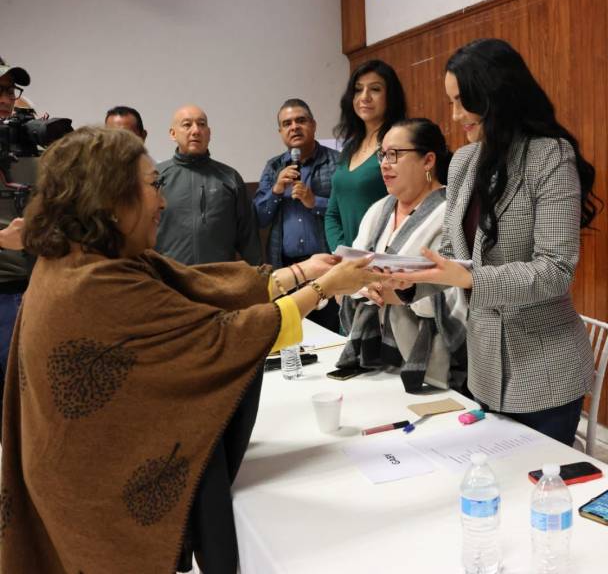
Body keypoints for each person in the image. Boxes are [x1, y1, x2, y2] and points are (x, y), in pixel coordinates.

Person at [0, 126, 379, 573]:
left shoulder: (87, 254)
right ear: (109, 195)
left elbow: (193, 286)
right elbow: (217, 337)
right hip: (91, 492)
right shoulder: (90, 283)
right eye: (152, 186)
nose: (162, 202)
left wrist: (295, 275)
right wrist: (323, 288)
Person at [390, 39, 599, 446]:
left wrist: (471, 279)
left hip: (545, 370)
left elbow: (556, 270)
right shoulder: (466, 161)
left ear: (495, 94)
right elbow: (454, 256)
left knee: (538, 489)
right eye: (450, 102)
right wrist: (407, 281)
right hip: (484, 366)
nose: (454, 116)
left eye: (462, 101)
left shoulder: (550, 157)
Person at [337, 118, 467, 392]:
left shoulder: (450, 214)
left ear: (428, 160)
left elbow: (452, 293)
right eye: (382, 154)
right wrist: (364, 286)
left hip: (431, 365)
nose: (384, 163)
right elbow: (347, 277)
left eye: (395, 154)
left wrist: (394, 291)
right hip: (377, 358)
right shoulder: (379, 210)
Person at [254, 98, 341, 331]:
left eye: (301, 121)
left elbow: (347, 212)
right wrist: (276, 190)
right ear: (281, 131)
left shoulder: (337, 162)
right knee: (295, 336)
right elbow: (259, 218)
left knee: (332, 333)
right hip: (287, 270)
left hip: (327, 266)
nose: (294, 127)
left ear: (313, 125)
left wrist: (315, 202)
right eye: (287, 123)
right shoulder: (273, 168)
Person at [156, 104, 263, 265]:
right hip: (170, 280)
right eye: (187, 125)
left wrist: (258, 278)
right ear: (173, 133)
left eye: (201, 124)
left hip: (220, 280)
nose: (196, 130)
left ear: (209, 133)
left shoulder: (230, 178)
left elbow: (248, 238)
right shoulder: (156, 178)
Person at [324, 59, 406, 251]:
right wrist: (343, 251)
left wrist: (367, 255)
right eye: (358, 90)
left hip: (383, 258)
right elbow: (332, 214)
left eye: (375, 89)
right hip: (347, 262)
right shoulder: (349, 148)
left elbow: (407, 208)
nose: (365, 97)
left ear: (390, 97)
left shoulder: (400, 144)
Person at [0, 62, 32, 407]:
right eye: (0, 89)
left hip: (31, 291)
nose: (6, 98)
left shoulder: (23, 150)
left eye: (10, 90)